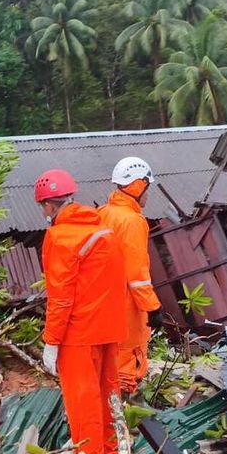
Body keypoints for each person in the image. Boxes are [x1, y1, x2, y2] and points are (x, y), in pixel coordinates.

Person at [35, 169, 127, 454]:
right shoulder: (102, 228)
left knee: (83, 403)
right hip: (109, 329)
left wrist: (51, 341)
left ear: (48, 206)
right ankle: (111, 453)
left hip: (79, 335)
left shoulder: (60, 237)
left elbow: (60, 297)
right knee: (107, 395)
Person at [98, 157, 163, 396]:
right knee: (126, 368)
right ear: (138, 185)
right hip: (125, 308)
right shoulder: (132, 222)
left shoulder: (103, 213)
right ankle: (123, 422)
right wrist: (153, 308)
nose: (148, 194)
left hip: (103, 306)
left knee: (106, 365)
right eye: (147, 187)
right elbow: (137, 275)